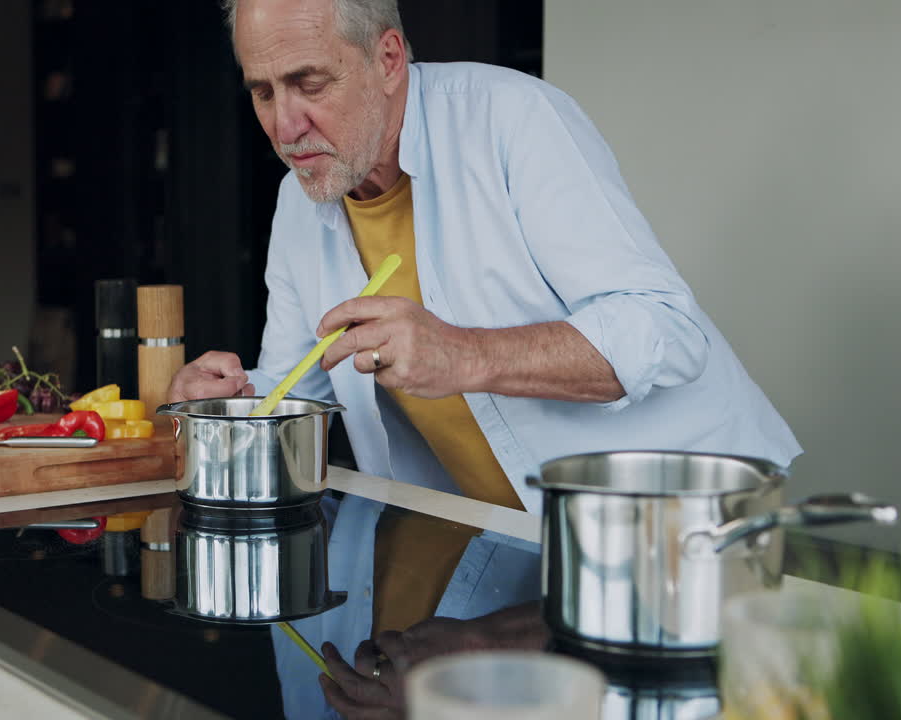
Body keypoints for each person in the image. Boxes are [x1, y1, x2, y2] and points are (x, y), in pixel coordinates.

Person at [167, 1, 802, 715]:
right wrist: (228, 405)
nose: (284, 126)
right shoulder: (300, 202)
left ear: (387, 59)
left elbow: (665, 328)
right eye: (262, 91)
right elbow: (295, 394)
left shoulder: (514, 122)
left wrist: (462, 354)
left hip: (677, 544)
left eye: (309, 83)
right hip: (503, 548)